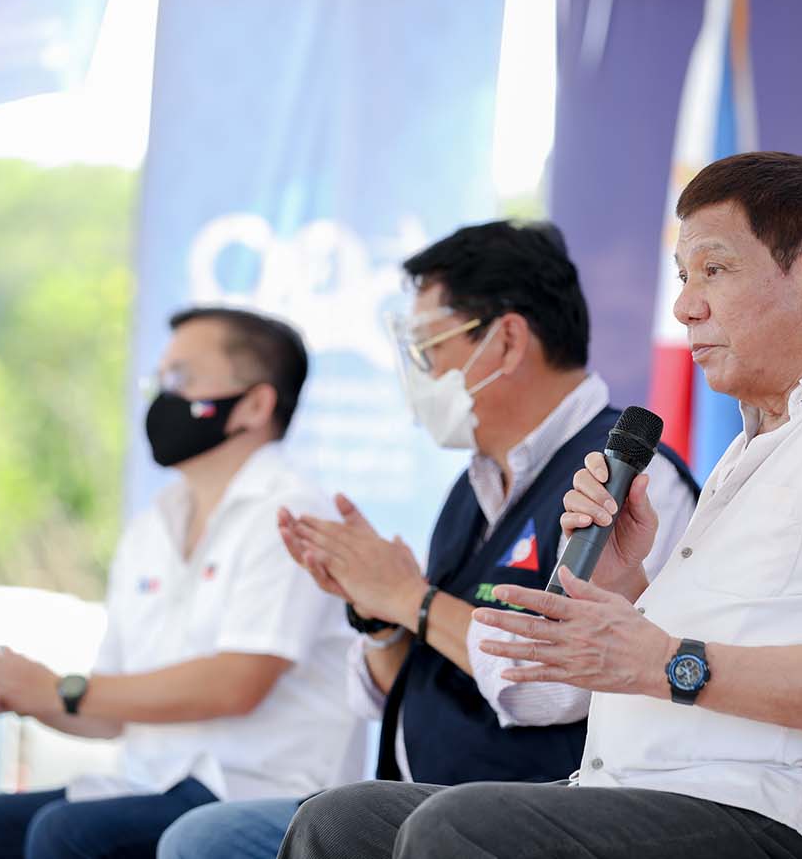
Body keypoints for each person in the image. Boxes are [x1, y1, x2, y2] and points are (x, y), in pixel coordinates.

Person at [277, 152, 802, 859]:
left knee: (453, 829)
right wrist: (626, 584)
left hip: (776, 817)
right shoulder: (758, 445)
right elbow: (712, 648)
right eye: (684, 277)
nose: (685, 305)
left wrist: (663, 661)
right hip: (633, 793)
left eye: (714, 270)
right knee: (340, 822)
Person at [156, 221, 699, 859]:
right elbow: (394, 689)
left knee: (208, 838)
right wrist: (378, 614)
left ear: (505, 341)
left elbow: (556, 687)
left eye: (427, 347)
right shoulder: (469, 490)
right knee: (207, 837)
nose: (417, 371)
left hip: (537, 813)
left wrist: (411, 598)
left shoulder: (630, 481)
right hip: (416, 798)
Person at [0, 307, 362, 859]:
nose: (161, 397)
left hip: (258, 792)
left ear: (256, 405)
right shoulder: (153, 526)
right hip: (150, 784)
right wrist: (25, 693)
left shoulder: (293, 515)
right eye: (159, 379)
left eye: (180, 380)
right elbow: (107, 711)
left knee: (67, 833)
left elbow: (236, 684)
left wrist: (59, 689)